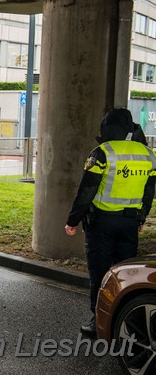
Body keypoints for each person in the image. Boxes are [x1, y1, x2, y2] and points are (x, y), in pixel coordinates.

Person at [65, 108, 156, 337]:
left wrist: (73, 220)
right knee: (126, 275)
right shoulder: (148, 154)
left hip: (102, 224)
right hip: (130, 224)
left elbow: (87, 190)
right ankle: (129, 322)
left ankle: (98, 323)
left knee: (101, 274)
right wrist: (141, 217)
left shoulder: (103, 152)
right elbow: (149, 193)